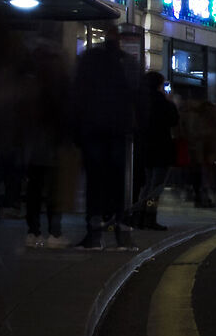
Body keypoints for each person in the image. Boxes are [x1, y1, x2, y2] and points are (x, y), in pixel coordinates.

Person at [70, 27, 140, 247]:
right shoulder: (128, 62)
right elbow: (138, 95)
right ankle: (121, 230)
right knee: (118, 181)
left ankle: (94, 233)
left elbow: (77, 95)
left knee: (95, 182)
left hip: (93, 129)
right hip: (118, 129)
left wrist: (77, 128)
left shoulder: (88, 60)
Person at [19, 39, 67, 245]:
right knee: (54, 190)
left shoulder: (31, 82)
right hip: (53, 144)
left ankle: (33, 231)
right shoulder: (59, 82)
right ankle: (54, 233)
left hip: (34, 144)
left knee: (34, 190)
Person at [132, 70, 179, 230]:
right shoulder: (163, 102)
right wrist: (170, 101)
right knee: (156, 186)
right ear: (160, 85)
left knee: (147, 185)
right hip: (161, 148)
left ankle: (139, 215)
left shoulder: (141, 102)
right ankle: (150, 216)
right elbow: (174, 120)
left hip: (145, 147)